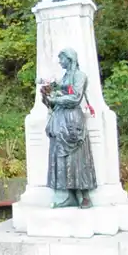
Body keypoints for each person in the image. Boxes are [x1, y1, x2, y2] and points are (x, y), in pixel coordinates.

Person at [42, 48, 96, 208]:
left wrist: (56, 98)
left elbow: (75, 98)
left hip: (72, 120)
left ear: (70, 59)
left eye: (62, 58)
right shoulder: (64, 77)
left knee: (78, 158)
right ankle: (70, 196)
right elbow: (54, 100)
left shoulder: (80, 76)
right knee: (62, 159)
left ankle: (85, 196)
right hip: (59, 121)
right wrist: (47, 96)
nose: (60, 62)